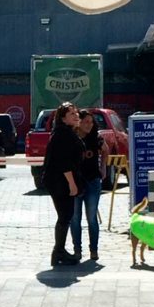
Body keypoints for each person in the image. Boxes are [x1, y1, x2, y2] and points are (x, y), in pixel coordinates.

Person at [42, 102, 85, 267]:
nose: (76, 116)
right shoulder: (62, 134)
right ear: (63, 118)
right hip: (60, 181)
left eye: (76, 113)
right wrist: (72, 184)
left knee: (65, 216)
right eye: (72, 114)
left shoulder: (67, 132)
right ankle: (59, 252)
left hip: (60, 180)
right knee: (65, 216)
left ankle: (59, 251)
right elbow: (64, 162)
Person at [70, 110, 109, 261]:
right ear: (78, 122)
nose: (89, 125)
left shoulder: (97, 138)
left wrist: (103, 167)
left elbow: (105, 150)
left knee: (91, 218)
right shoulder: (72, 137)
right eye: (85, 122)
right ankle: (77, 250)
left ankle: (94, 250)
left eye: (91, 122)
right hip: (75, 182)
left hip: (93, 181)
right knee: (75, 218)